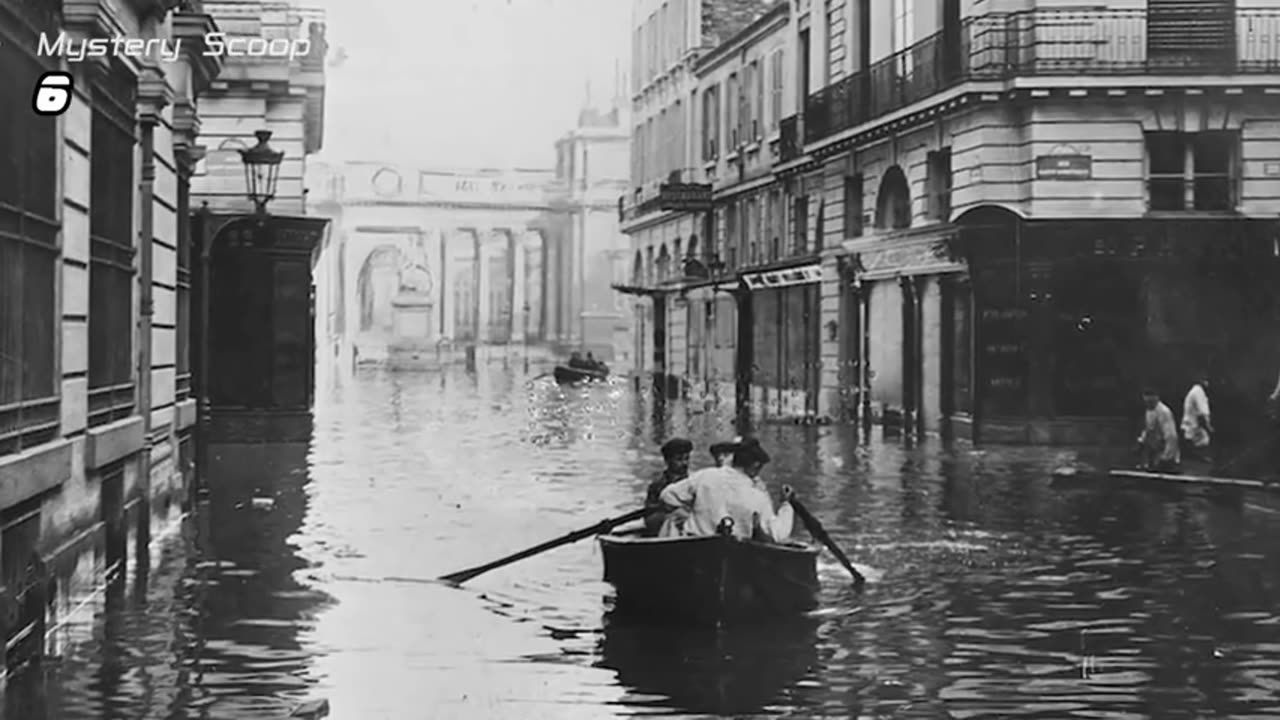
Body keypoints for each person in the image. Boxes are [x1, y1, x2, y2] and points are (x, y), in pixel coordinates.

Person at [658, 439, 795, 542]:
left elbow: (666, 496)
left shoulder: (705, 476)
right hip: (736, 556)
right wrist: (786, 504)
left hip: (695, 547)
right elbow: (778, 534)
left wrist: (690, 509)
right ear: (755, 466)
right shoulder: (759, 497)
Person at [643, 438, 693, 535]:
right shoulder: (657, 485)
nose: (684, 463)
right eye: (679, 459)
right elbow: (649, 518)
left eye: (687, 458)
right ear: (667, 461)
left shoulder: (694, 482)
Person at [1138, 388, 1180, 472]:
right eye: (1146, 402)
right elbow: (1148, 429)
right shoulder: (1149, 411)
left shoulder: (1164, 412)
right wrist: (1141, 441)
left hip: (1165, 457)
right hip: (1154, 454)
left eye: (1150, 402)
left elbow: (1171, 437)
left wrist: (1166, 457)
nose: (1148, 404)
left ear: (1156, 398)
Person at [1181, 374, 1213, 463]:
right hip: (1194, 432)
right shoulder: (1198, 392)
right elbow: (1202, 415)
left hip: (1192, 431)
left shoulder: (1195, 391)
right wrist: (1209, 429)